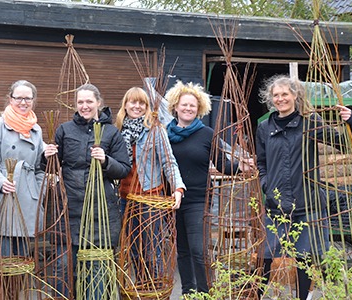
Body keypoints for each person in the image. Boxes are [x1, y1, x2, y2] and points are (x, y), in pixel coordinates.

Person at [256, 75, 352, 300]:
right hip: (276, 205)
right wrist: (266, 185)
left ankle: (302, 297)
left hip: (307, 202)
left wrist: (350, 121)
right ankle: (255, 295)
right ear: (271, 99)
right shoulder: (265, 127)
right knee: (266, 256)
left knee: (305, 257)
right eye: (276, 95)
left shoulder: (310, 122)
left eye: (285, 94)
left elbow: (341, 142)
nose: (281, 99)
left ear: (295, 95)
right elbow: (261, 163)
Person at [43, 83, 131, 298]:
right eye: (80, 102)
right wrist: (47, 156)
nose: (84, 106)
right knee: (65, 266)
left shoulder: (111, 133)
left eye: (89, 101)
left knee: (96, 268)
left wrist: (105, 160)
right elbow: (49, 167)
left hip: (99, 211)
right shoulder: (64, 129)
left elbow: (124, 169)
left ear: (98, 103)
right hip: (69, 208)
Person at [164, 81, 248, 294]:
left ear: (199, 108)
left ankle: (204, 293)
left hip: (198, 199)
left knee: (198, 249)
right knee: (182, 250)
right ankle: (188, 292)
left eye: (192, 105)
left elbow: (222, 164)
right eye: (184, 105)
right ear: (175, 106)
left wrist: (241, 167)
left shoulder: (206, 133)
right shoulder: (165, 134)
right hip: (172, 200)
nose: (188, 108)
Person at [114, 86, 185, 297]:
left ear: (146, 107)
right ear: (125, 105)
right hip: (124, 198)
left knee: (151, 249)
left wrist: (178, 188)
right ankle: (141, 290)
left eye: (141, 103)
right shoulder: (117, 130)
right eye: (132, 102)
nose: (136, 106)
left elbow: (168, 162)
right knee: (132, 249)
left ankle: (153, 292)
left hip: (150, 198)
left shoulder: (155, 129)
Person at [0, 80, 44, 257]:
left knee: (24, 256)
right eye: (19, 98)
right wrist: (1, 182)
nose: (23, 103)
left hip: (28, 198)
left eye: (28, 98)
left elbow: (40, 167)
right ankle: (6, 286)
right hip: (4, 196)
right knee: (5, 255)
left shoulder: (36, 129)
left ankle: (22, 286)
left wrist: (39, 190)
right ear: (10, 99)